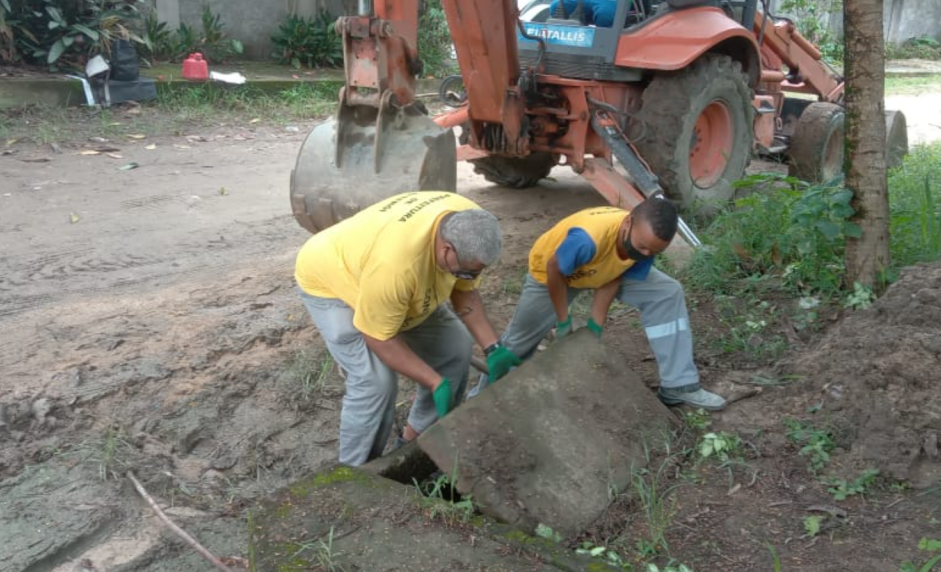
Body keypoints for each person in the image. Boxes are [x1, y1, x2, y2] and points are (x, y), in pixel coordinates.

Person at [295, 191, 518, 466]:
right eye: (464, 272)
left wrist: (493, 347)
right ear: (446, 249)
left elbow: (465, 293)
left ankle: (417, 441)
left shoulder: (469, 221)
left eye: (476, 273)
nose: (470, 278)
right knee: (376, 382)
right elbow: (380, 337)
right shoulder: (396, 268)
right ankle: (357, 471)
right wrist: (434, 381)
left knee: (456, 347)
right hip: (330, 280)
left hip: (380, 272)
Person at [493, 195, 726, 410]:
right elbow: (555, 271)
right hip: (551, 275)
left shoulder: (644, 244)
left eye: (653, 251)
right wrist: (563, 320)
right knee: (516, 344)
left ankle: (678, 385)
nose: (646, 253)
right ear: (627, 223)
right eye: (643, 246)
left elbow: (614, 272)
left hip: (598, 268)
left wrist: (596, 323)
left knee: (667, 292)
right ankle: (482, 400)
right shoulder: (587, 239)